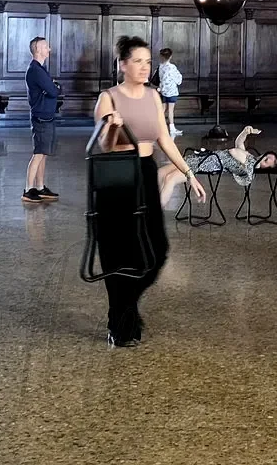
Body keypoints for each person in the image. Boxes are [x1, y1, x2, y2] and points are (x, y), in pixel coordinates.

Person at [94, 36, 206, 347]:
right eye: (138, 61)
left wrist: (189, 173)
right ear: (123, 65)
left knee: (157, 249)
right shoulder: (108, 98)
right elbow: (104, 145)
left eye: (147, 62)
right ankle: (119, 321)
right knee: (118, 254)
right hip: (116, 176)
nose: (145, 67)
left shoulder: (153, 96)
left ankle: (124, 306)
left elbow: (164, 139)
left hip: (144, 170)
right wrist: (113, 125)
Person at [157, 126, 277, 207]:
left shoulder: (250, 168)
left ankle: (154, 213)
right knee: (160, 173)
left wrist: (249, 157)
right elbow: (239, 143)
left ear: (265, 167)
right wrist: (245, 132)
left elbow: (233, 151)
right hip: (202, 158)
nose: (263, 156)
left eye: (266, 160)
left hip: (205, 165)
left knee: (170, 178)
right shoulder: (249, 158)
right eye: (266, 155)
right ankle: (150, 201)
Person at [22, 37, 61, 204]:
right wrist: (55, 87)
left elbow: (52, 89)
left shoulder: (40, 69)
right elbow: (53, 90)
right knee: (38, 153)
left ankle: (39, 187)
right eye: (46, 46)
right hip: (41, 117)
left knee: (43, 153)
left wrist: (53, 87)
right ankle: (28, 189)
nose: (49, 49)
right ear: (37, 49)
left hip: (46, 115)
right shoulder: (36, 70)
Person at [157, 47, 183, 139]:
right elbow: (178, 80)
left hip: (163, 90)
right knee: (170, 110)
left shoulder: (161, 67)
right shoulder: (172, 67)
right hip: (171, 91)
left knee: (163, 109)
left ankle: (157, 126)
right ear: (170, 56)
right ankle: (172, 129)